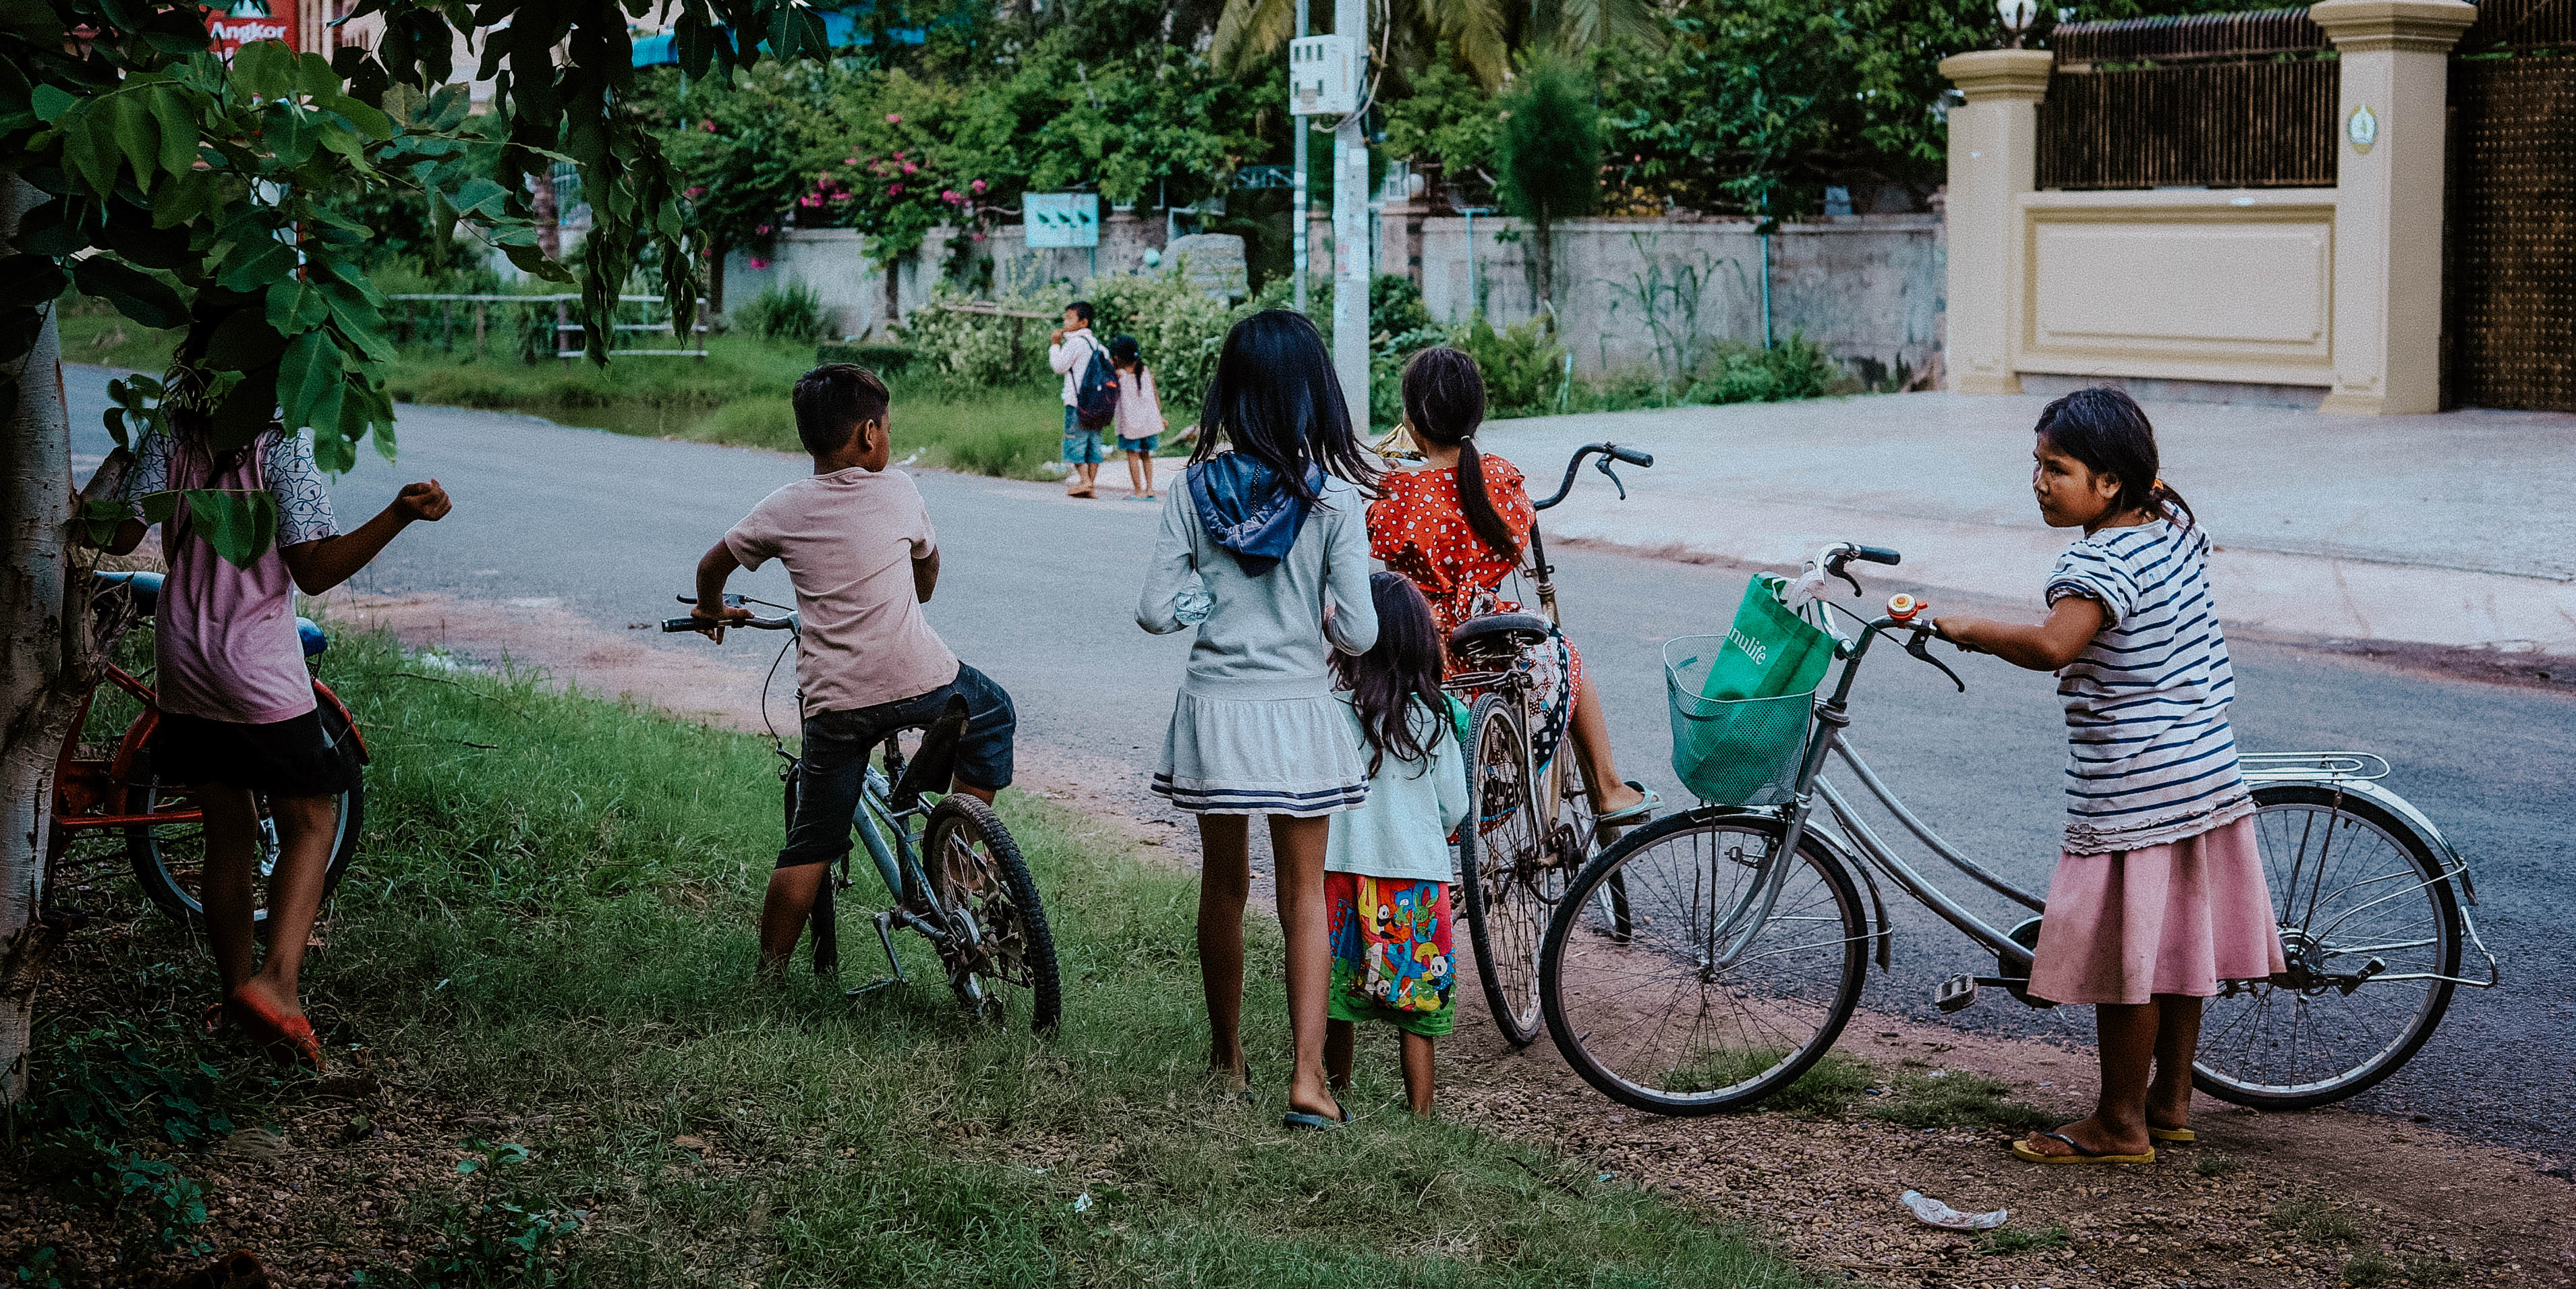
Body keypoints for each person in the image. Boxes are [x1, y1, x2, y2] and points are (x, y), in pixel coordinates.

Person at [1934, 385, 2284, 1166]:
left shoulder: (2094, 565)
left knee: (2132, 961)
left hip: (2137, 785)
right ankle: (2170, 1102)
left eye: (2056, 468)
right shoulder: (2172, 532)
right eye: (2036, 464)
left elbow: (2055, 645)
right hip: (2207, 774)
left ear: (2110, 484)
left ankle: (2119, 1125)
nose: (2038, 481)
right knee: (2179, 950)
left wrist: (1967, 627)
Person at [91, 346, 453, 1072]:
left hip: (184, 659)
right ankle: (278, 987)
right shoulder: (277, 444)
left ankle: (236, 997)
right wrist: (399, 514)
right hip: (255, 662)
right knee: (312, 818)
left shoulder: (172, 431)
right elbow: (315, 570)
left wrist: (126, 448)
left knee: (227, 830)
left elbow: (120, 534)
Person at [689, 364, 1018, 977]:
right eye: (888, 427)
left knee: (811, 841)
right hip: (921, 678)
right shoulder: (898, 490)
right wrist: (915, 584)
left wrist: (711, 607)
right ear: (870, 434)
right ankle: (956, 852)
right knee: (992, 710)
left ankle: (769, 976)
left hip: (837, 704)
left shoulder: (783, 507)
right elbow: (927, 569)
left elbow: (712, 566)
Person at [1137, 309, 1380, 1130]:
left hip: (1217, 710)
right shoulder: (1335, 498)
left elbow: (1154, 611)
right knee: (1304, 894)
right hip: (1298, 712)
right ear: (1316, 393)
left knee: (1224, 886)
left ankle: (1227, 1059)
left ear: (1231, 391)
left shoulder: (1192, 488)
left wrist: (1212, 602)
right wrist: (1316, 616)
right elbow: (1361, 633)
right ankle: (1308, 1081)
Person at [1369, 346, 1655, 825]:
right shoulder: (1500, 477)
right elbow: (1519, 526)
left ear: (1411, 421)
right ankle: (1608, 787)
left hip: (1422, 646)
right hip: (1491, 635)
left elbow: (1378, 538)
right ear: (1476, 416)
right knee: (1566, 656)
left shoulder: (1398, 491)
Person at [1321, 573, 1469, 1116]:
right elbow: (1454, 808)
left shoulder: (1332, 708)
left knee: (1338, 996)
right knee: (1417, 1003)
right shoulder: (1435, 720)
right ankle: (1421, 1112)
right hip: (1416, 880)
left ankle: (1336, 1092)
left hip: (1339, 872)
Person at [1048, 301, 1109, 498]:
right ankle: (1090, 485)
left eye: (1070, 318)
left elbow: (1059, 366)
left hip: (1077, 403)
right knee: (1093, 444)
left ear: (1084, 322)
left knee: (1074, 443)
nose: (1065, 322)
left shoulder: (1074, 344)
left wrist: (1055, 345)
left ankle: (1085, 481)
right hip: (1099, 406)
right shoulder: (1101, 347)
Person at [1108, 334, 1168, 500]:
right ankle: (1150, 490)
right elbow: (1156, 398)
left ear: (1117, 356)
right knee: (1146, 456)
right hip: (1149, 423)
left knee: (1133, 455)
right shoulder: (1146, 372)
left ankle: (1138, 490)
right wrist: (1159, 416)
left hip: (1131, 425)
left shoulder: (1119, 375)